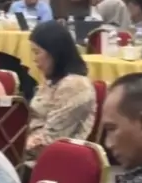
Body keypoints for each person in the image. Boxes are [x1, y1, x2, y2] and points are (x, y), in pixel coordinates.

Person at [26, 21, 96, 165]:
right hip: (32, 151)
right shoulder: (53, 81)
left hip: (54, 161)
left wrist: (16, 147)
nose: (34, 59)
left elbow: (51, 139)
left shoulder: (75, 86)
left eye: (37, 52)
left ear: (54, 53)